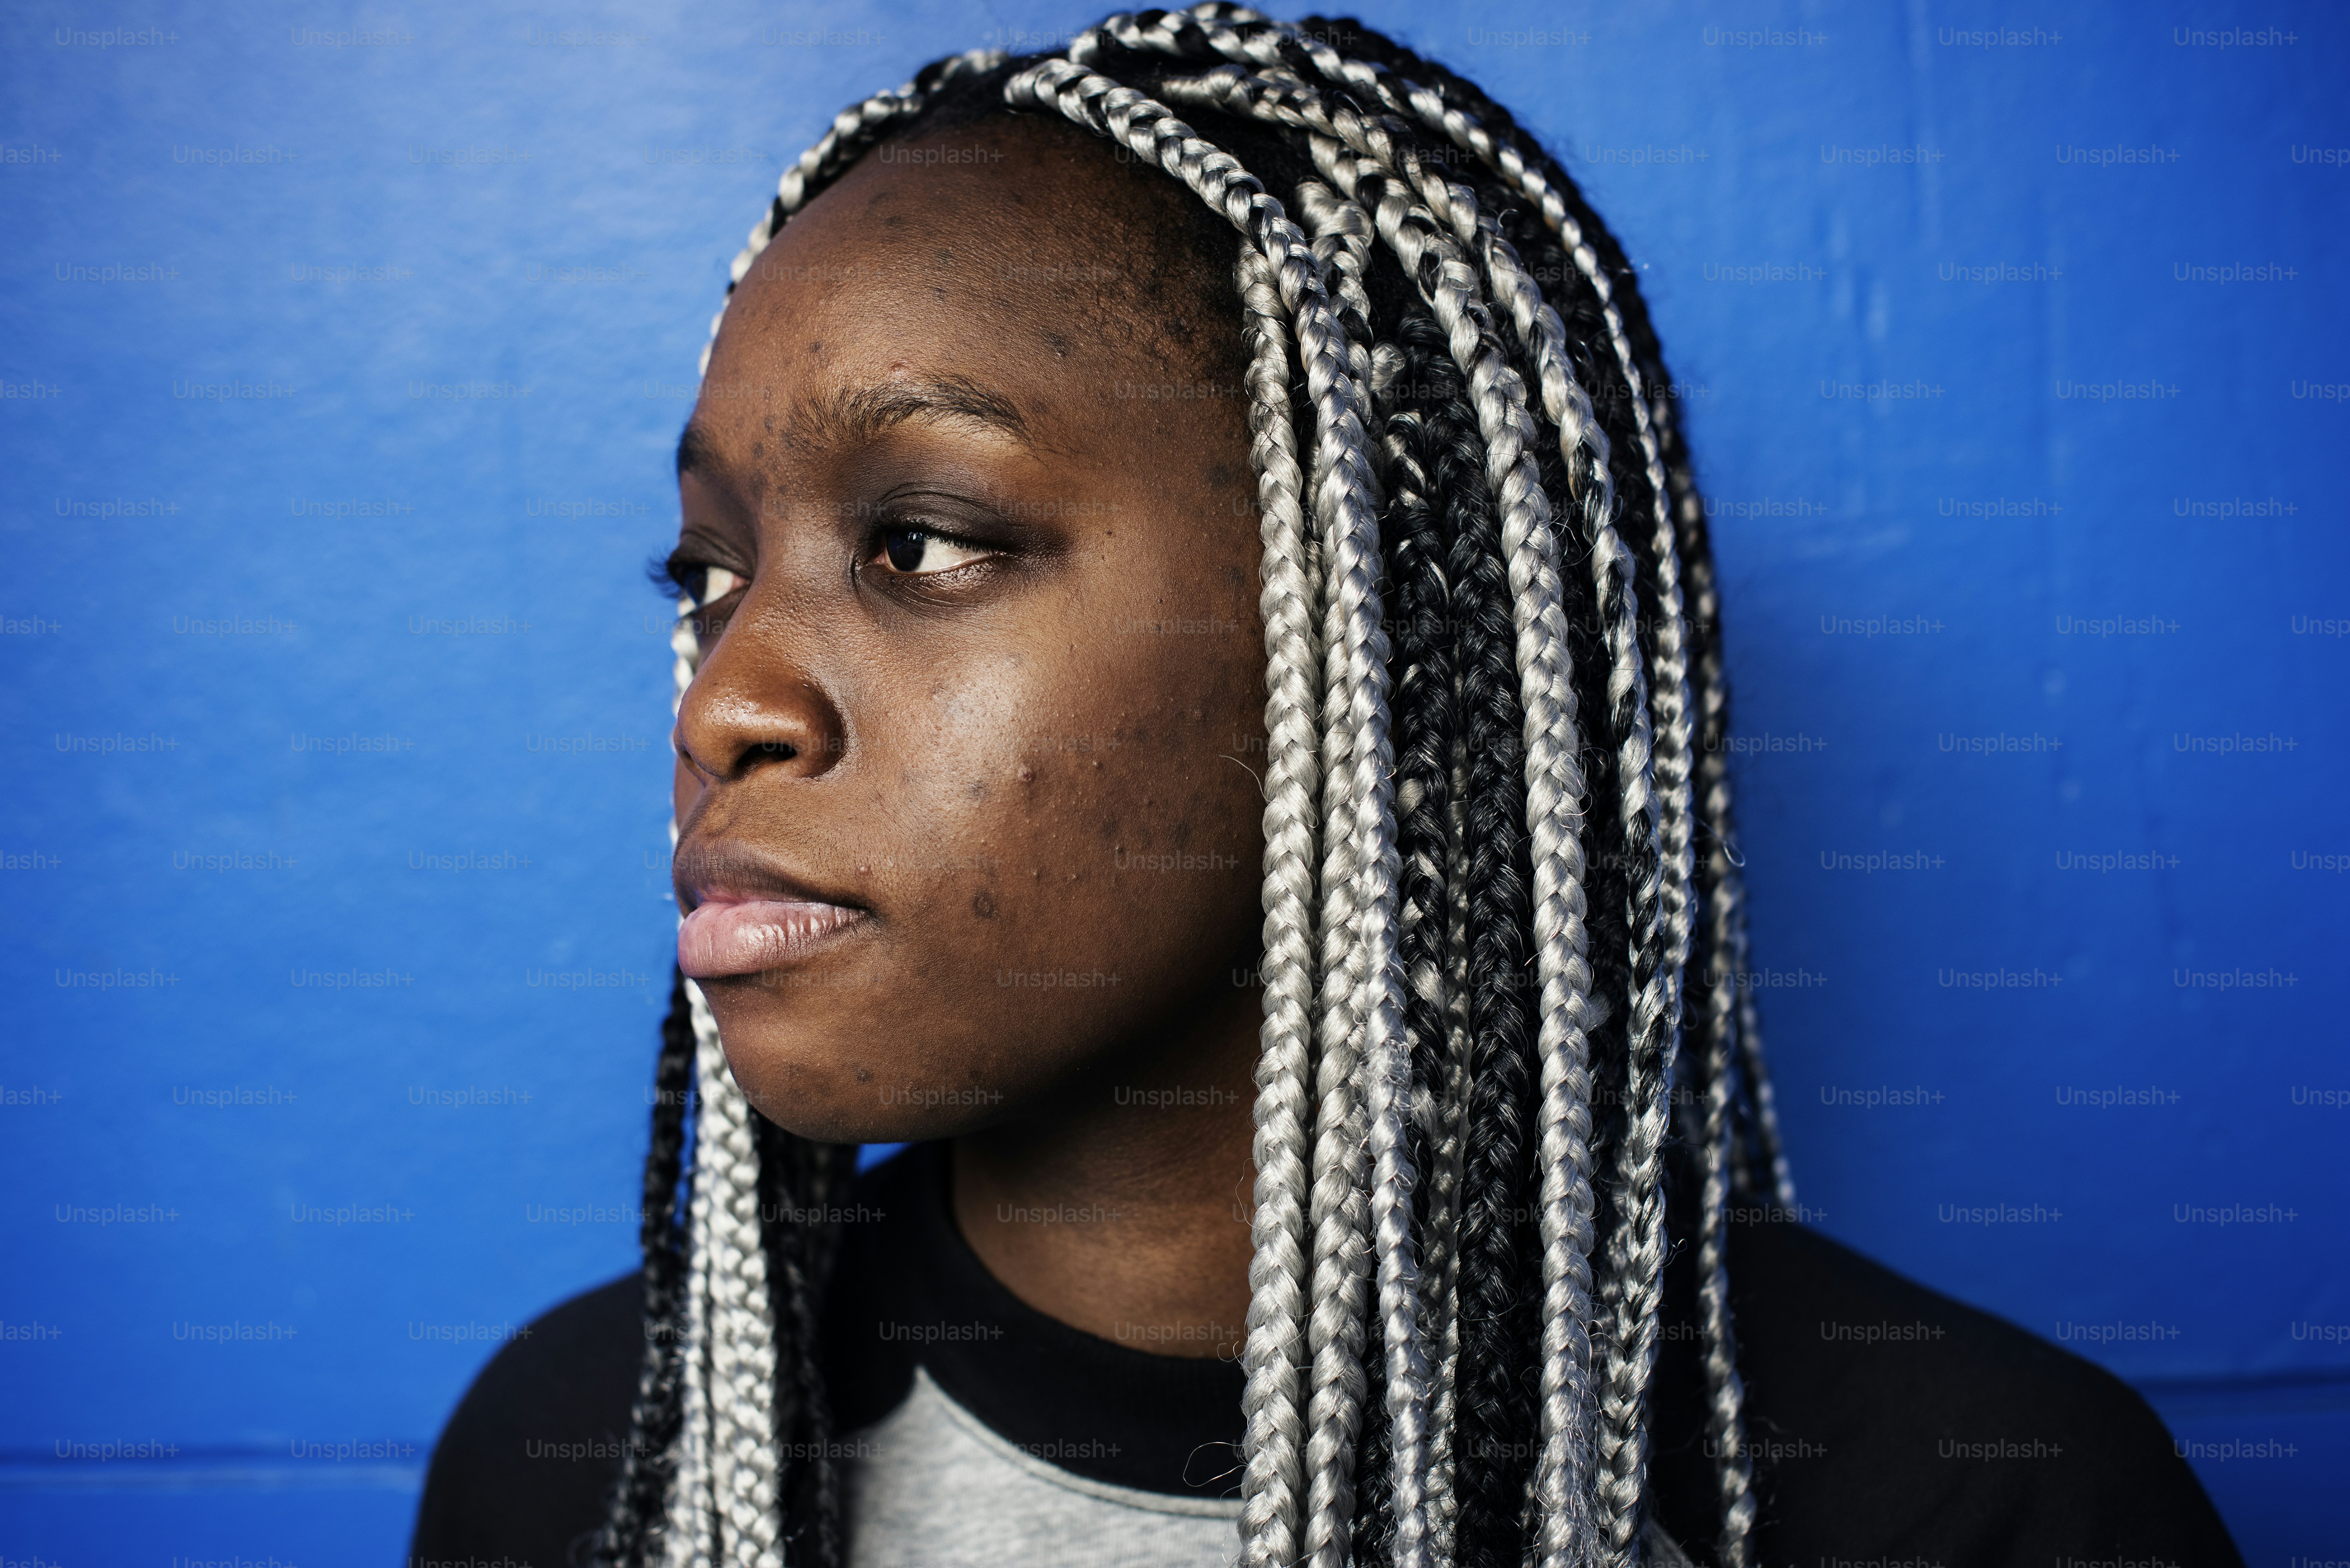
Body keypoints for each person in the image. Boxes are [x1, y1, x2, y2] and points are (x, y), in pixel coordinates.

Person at [410, 9, 2243, 1566]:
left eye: (924, 541)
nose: (725, 698)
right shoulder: (583, 1459)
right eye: (704, 574)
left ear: (1374, 622)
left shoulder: (1972, 1503)